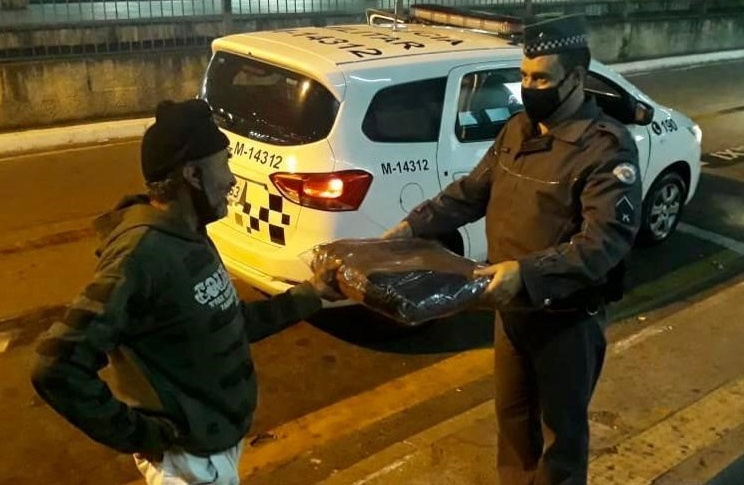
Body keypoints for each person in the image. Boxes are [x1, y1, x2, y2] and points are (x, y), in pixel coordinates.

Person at [384, 15, 642, 485]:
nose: (528, 88)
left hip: (566, 321)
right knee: (513, 424)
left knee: (562, 438)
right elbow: (471, 193)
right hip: (511, 312)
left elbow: (605, 241)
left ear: (576, 78)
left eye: (540, 78)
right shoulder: (518, 130)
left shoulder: (605, 148)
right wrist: (412, 225)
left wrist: (526, 273)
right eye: (523, 76)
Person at [31, 99, 342, 485]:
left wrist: (312, 293)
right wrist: (142, 436)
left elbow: (228, 321)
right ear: (193, 174)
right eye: (224, 164)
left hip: (216, 450)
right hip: (188, 467)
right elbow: (57, 364)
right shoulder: (140, 255)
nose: (231, 180)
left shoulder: (190, 234)